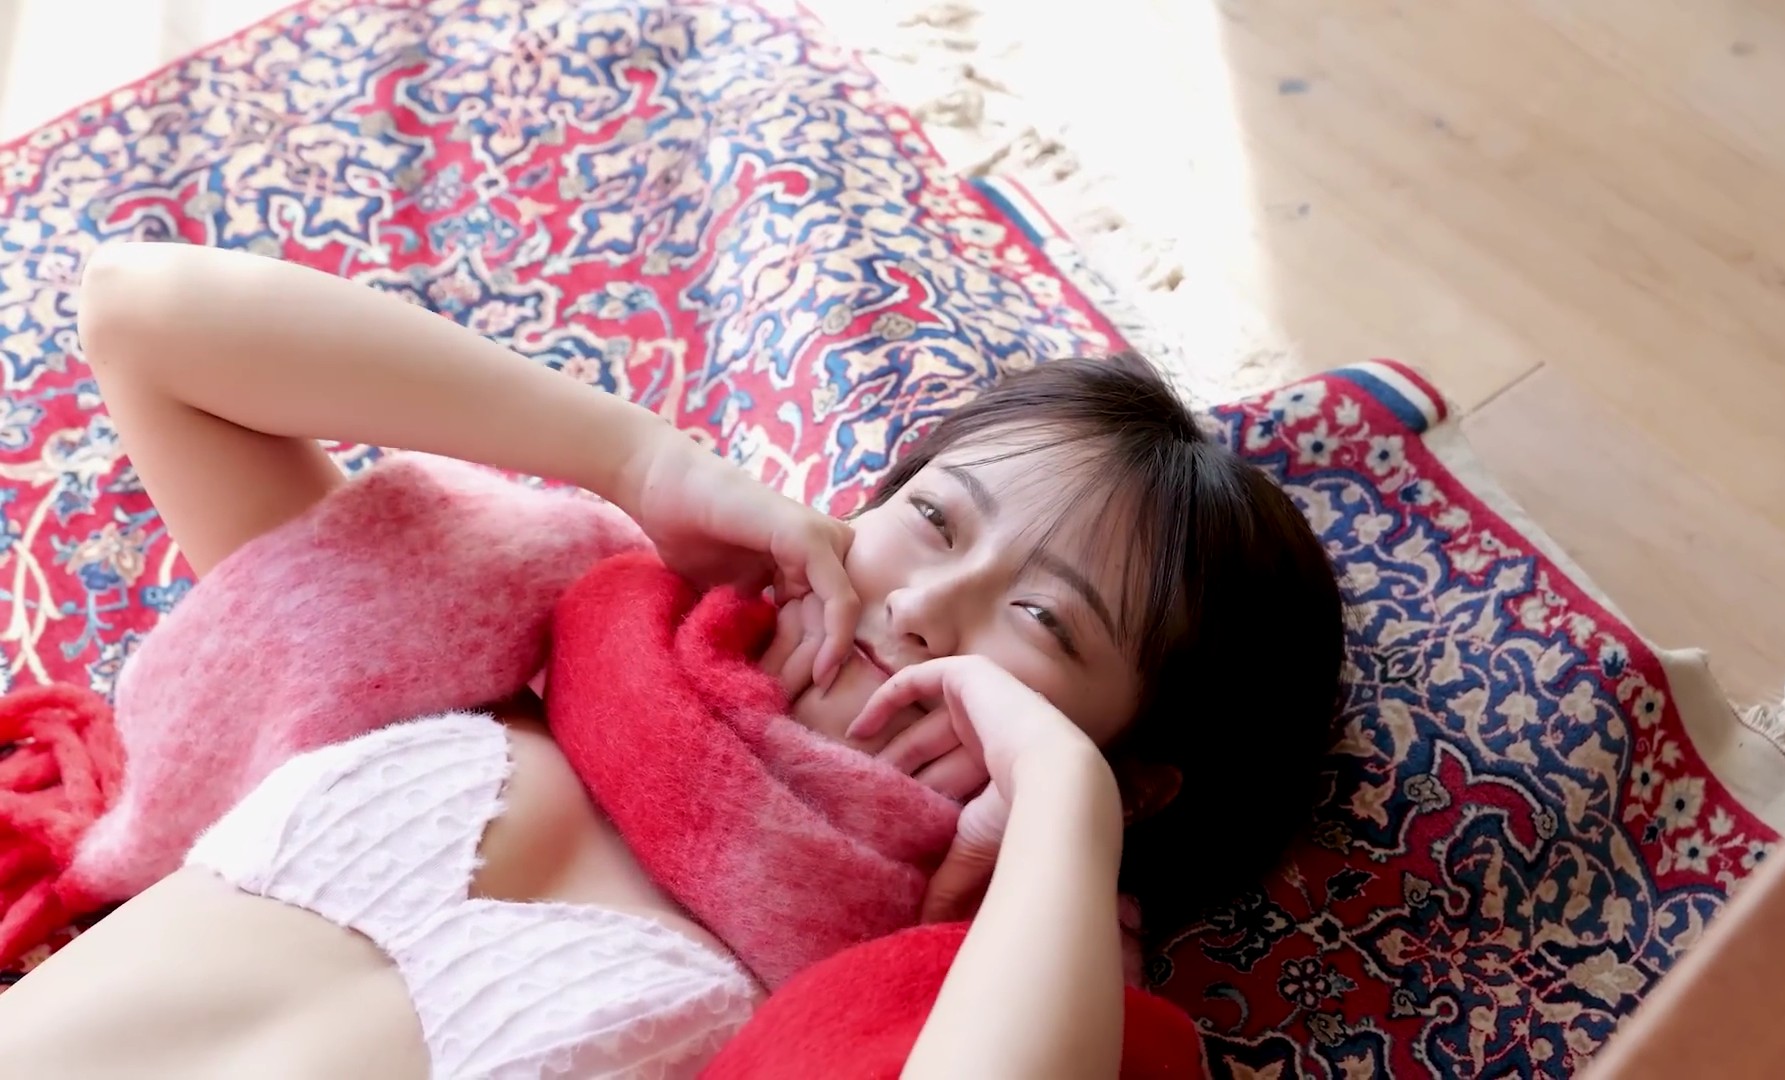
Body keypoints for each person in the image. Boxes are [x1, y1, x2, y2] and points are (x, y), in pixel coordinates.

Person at [0, 244, 1343, 1077]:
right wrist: (637, 458)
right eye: (934, 521)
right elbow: (145, 317)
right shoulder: (506, 639)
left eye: (1045, 626)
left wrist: (1060, 802)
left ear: (1133, 773)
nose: (926, 607)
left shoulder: (935, 989)